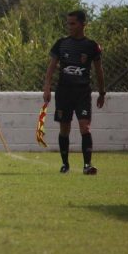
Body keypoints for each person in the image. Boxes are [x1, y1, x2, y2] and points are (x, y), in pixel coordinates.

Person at [43, 10, 106, 175]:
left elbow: (99, 71)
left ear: (83, 24)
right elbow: (51, 68)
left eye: (73, 23)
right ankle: (65, 164)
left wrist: (102, 92)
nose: (69, 27)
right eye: (68, 23)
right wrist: (47, 87)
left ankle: (87, 165)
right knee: (65, 129)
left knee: (85, 127)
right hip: (64, 92)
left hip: (82, 92)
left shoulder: (92, 46)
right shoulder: (61, 44)